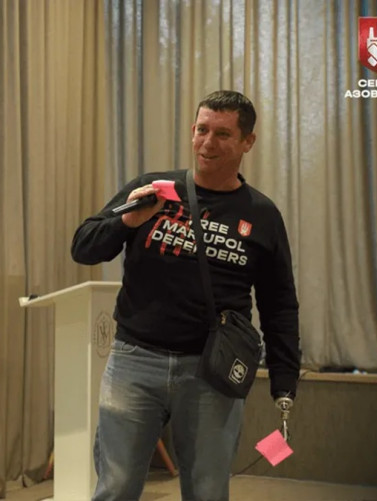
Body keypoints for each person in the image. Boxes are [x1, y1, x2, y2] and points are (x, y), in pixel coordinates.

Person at [71, 90, 301, 501]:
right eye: (202, 130)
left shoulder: (261, 214)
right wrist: (127, 222)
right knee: (116, 487)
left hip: (211, 371)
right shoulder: (153, 190)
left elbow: (279, 303)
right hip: (134, 361)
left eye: (223, 134)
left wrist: (284, 382)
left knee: (208, 491)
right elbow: (84, 247)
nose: (208, 143)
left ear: (247, 141)